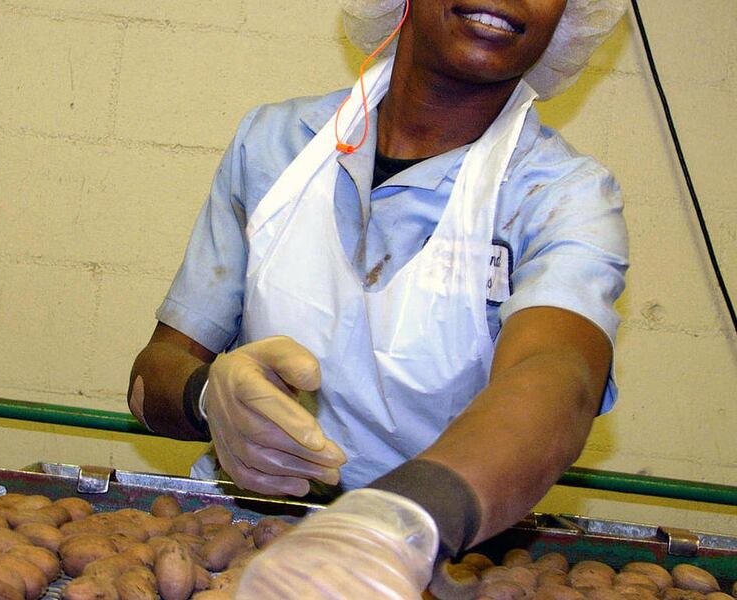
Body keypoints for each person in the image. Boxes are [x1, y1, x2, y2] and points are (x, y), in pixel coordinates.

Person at [128, 0, 629, 596]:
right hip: (234, 540)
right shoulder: (274, 147)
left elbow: (560, 375)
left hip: (436, 563)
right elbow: (149, 380)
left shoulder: (562, 197)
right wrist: (208, 397)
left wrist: (397, 523)